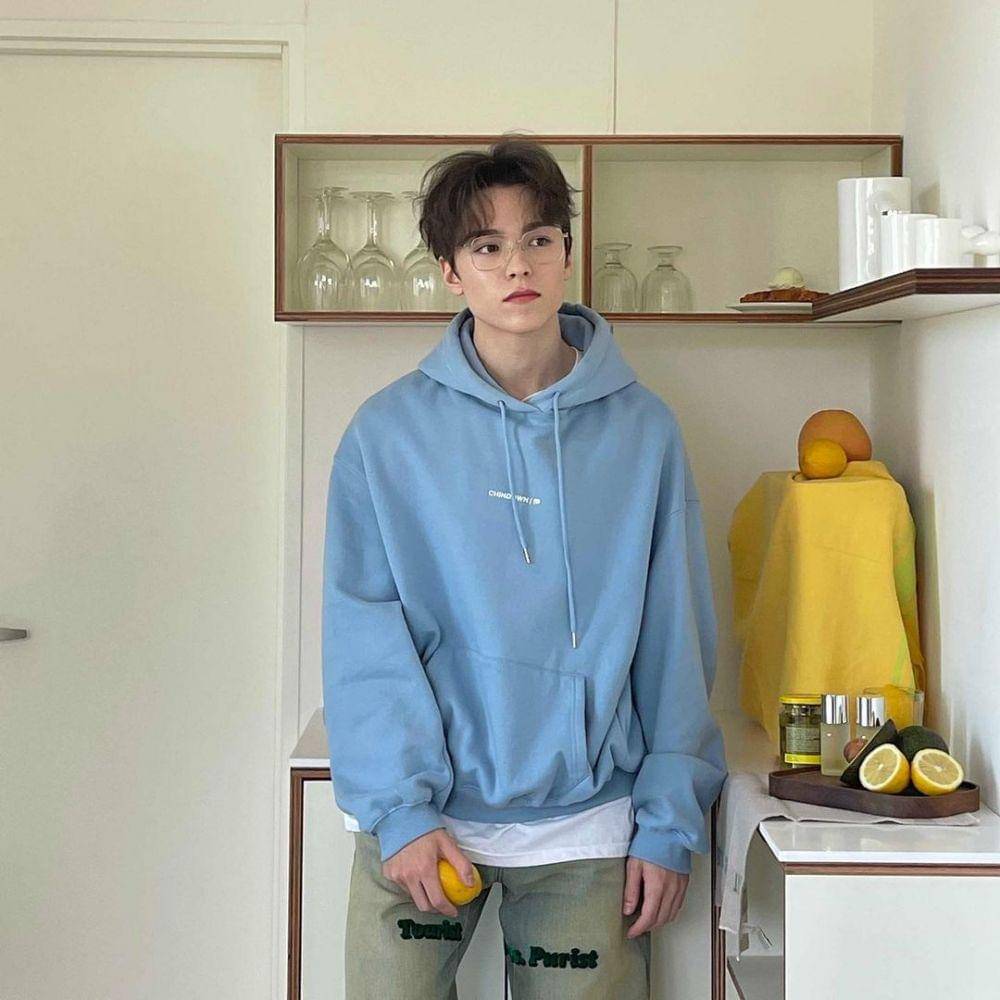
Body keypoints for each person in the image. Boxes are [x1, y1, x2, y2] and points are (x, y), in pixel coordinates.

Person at [322, 134, 728, 999]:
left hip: (590, 830)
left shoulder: (643, 431)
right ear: (449, 272)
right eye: (487, 246)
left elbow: (676, 636)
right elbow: (363, 633)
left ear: (567, 254)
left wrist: (668, 820)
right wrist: (399, 809)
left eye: (538, 239)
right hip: (425, 824)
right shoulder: (386, 434)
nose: (518, 265)